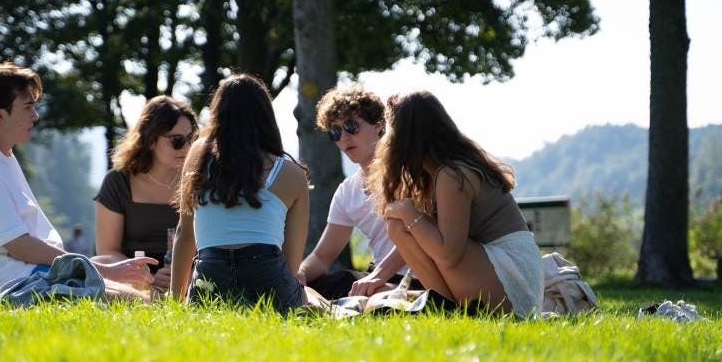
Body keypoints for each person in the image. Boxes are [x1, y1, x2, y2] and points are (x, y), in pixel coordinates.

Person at [0, 62, 155, 299]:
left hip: (35, 278)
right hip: (18, 288)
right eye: (28, 107)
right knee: (135, 301)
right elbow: (20, 247)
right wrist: (102, 270)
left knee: (145, 298)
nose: (35, 116)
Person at [367, 91, 544, 317]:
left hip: (512, 276)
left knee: (405, 224)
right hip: (503, 272)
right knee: (398, 228)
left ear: (405, 137)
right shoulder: (439, 172)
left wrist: (409, 212)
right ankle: (445, 307)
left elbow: (449, 254)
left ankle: (447, 307)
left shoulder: (452, 174)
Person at [170, 74, 310, 312]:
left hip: (210, 279)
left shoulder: (197, 157)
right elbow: (291, 263)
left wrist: (176, 302)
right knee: (311, 296)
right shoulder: (292, 174)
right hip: (267, 277)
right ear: (266, 115)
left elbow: (185, 234)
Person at [296, 86, 413, 299]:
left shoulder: (408, 174)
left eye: (351, 126)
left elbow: (417, 240)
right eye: (335, 131)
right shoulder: (347, 191)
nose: (344, 137)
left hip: (418, 275)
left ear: (379, 126)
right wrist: (300, 274)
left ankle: (401, 295)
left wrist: (378, 275)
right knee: (317, 284)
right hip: (378, 278)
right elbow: (323, 257)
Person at [93, 96, 198, 292]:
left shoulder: (198, 181)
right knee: (100, 261)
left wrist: (184, 275)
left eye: (192, 139)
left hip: (189, 276)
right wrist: (147, 277)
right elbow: (108, 251)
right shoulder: (118, 182)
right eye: (177, 141)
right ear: (150, 140)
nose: (187, 148)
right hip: (132, 277)